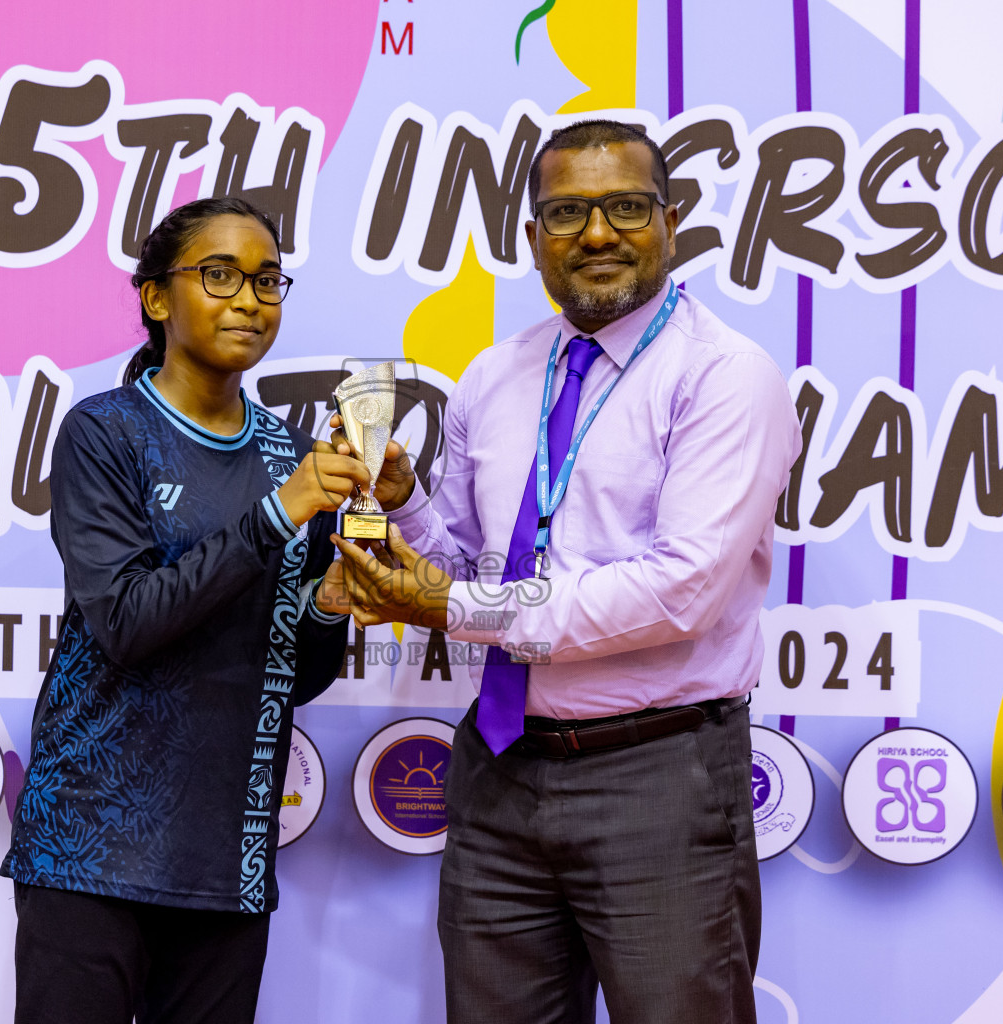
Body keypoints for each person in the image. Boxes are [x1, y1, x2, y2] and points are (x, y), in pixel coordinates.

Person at [331, 120, 803, 1023]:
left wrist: (452, 603)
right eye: (566, 212)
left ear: (671, 222)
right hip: (499, 768)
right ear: (532, 236)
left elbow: (682, 589)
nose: (596, 234)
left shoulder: (723, 377)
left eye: (625, 207)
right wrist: (403, 506)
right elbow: (466, 567)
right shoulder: (494, 376)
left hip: (657, 772)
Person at [1, 196, 366, 1024]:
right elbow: (129, 622)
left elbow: (296, 676)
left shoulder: (291, 456)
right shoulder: (105, 434)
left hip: (227, 855)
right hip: (89, 850)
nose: (248, 298)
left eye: (267, 280)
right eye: (219, 275)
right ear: (156, 299)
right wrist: (280, 516)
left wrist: (333, 598)